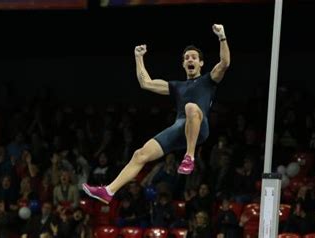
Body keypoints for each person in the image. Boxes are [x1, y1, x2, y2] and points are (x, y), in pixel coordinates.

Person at [83, 24, 230, 204]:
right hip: (179, 128)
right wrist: (138, 57)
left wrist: (222, 37)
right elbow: (146, 82)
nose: (190, 59)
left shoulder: (208, 80)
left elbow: (225, 63)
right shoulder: (177, 86)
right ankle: (108, 191)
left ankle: (189, 157)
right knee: (140, 154)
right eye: (186, 58)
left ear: (200, 63)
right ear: (183, 63)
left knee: (191, 108)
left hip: (200, 126)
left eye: (194, 57)